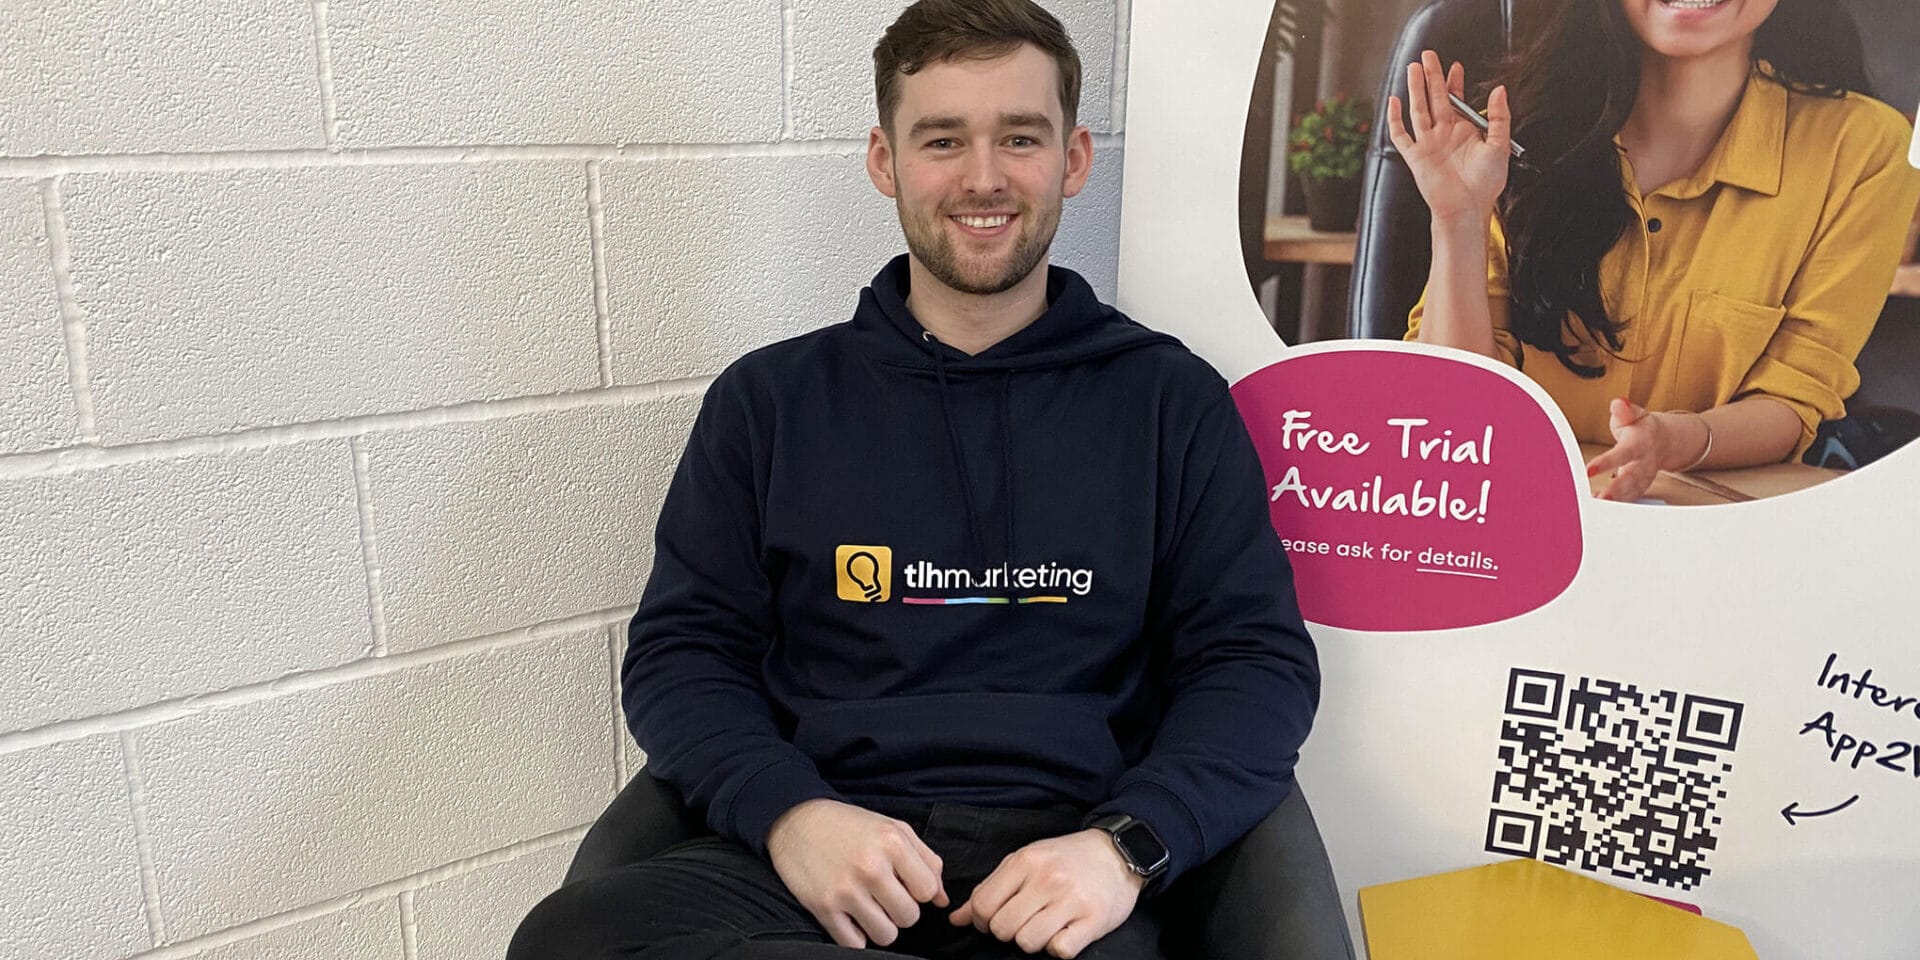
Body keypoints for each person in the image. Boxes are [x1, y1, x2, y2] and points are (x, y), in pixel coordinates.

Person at [506, 2, 1321, 958]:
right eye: (943, 140)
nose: (984, 178)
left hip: (1060, 874)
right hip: (823, 863)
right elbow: (683, 656)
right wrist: (790, 817)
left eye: (1020, 137)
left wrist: (1123, 850)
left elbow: (1256, 664)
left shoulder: (1170, 403)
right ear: (886, 161)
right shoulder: (768, 404)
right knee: (566, 940)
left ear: (1074, 158)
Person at [1391, 0, 1920, 501]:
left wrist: (1678, 441)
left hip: (1709, 536)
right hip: (1510, 522)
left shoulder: (1865, 151)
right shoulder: (1509, 139)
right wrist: (1459, 217)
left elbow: (1795, 397)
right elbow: (1449, 418)